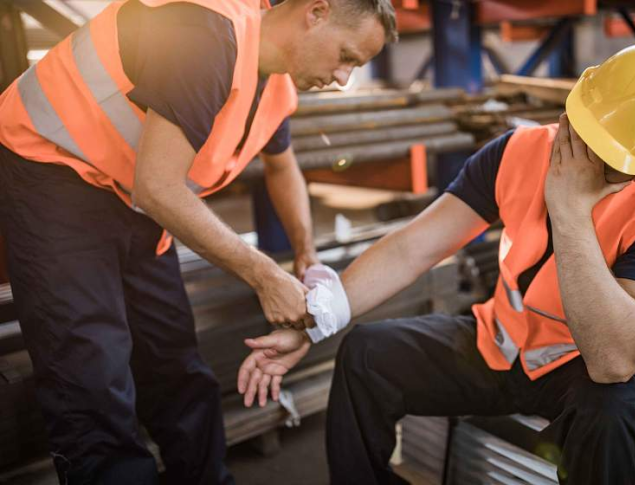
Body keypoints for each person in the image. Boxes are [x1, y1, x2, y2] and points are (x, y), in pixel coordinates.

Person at [239, 44, 635, 484]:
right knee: (365, 354)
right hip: (499, 346)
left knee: (614, 413)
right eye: (585, 136)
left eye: (611, 159)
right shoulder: (516, 152)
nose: (589, 160)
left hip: (582, 372)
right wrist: (314, 321)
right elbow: (413, 248)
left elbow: (614, 360)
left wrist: (570, 209)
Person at [0, 0, 396, 483]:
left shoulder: (274, 81)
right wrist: (265, 276)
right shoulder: (207, 33)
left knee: (174, 361)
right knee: (91, 374)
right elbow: (158, 188)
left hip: (131, 194)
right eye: (347, 56)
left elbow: (281, 166)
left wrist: (305, 255)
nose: (343, 78)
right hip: (53, 171)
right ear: (316, 12)